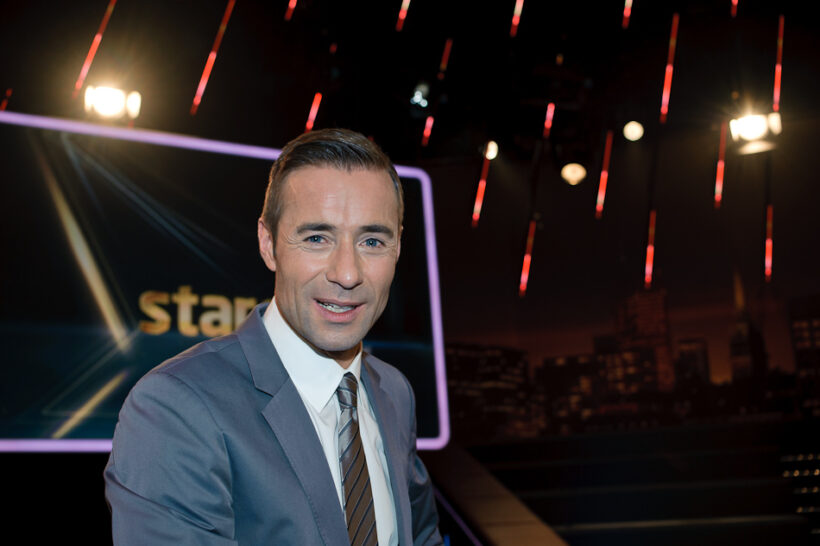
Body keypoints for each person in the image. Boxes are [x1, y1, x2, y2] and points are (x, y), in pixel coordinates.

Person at [104, 128, 443, 545]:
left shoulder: (394, 391)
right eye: (316, 238)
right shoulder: (175, 407)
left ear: (398, 248)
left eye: (372, 241)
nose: (347, 273)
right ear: (268, 244)